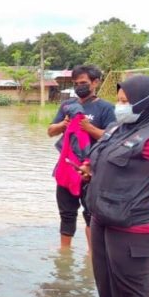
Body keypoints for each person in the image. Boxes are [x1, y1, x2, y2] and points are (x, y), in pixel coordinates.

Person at [82, 74, 149, 297]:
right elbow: (107, 156)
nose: (120, 106)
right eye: (119, 100)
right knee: (105, 278)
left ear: (146, 102)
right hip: (104, 216)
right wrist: (91, 168)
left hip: (137, 224)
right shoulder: (121, 127)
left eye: (126, 101)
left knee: (134, 285)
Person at [47, 65, 115, 249]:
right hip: (67, 168)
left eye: (83, 83)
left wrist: (88, 128)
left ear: (95, 82)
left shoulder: (106, 108)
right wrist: (64, 124)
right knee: (66, 214)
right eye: (76, 83)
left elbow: (112, 137)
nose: (79, 86)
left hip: (93, 171)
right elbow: (50, 131)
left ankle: (92, 257)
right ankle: (64, 255)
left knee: (91, 215)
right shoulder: (67, 105)